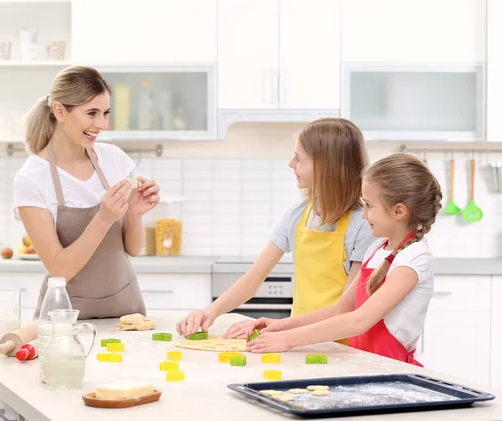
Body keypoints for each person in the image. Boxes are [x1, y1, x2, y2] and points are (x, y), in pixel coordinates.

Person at [176, 118, 374, 340]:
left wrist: (282, 328)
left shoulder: (364, 225)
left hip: (342, 345)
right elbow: (252, 280)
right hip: (295, 342)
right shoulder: (296, 216)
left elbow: (347, 308)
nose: (291, 163)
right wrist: (210, 312)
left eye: (299, 158)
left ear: (325, 167)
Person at [245, 153, 441, 366]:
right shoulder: (377, 249)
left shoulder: (414, 258)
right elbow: (341, 309)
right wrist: (284, 326)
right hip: (362, 365)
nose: (364, 214)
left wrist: (287, 340)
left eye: (369, 205)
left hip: (391, 370)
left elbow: (360, 320)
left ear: (399, 211)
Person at [13, 66, 161, 320]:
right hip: (65, 320)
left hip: (124, 313)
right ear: (59, 111)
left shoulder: (113, 159)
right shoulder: (31, 178)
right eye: (91, 113)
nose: (102, 124)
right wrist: (103, 218)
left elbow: (132, 249)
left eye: (105, 113)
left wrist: (134, 215)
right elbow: (59, 269)